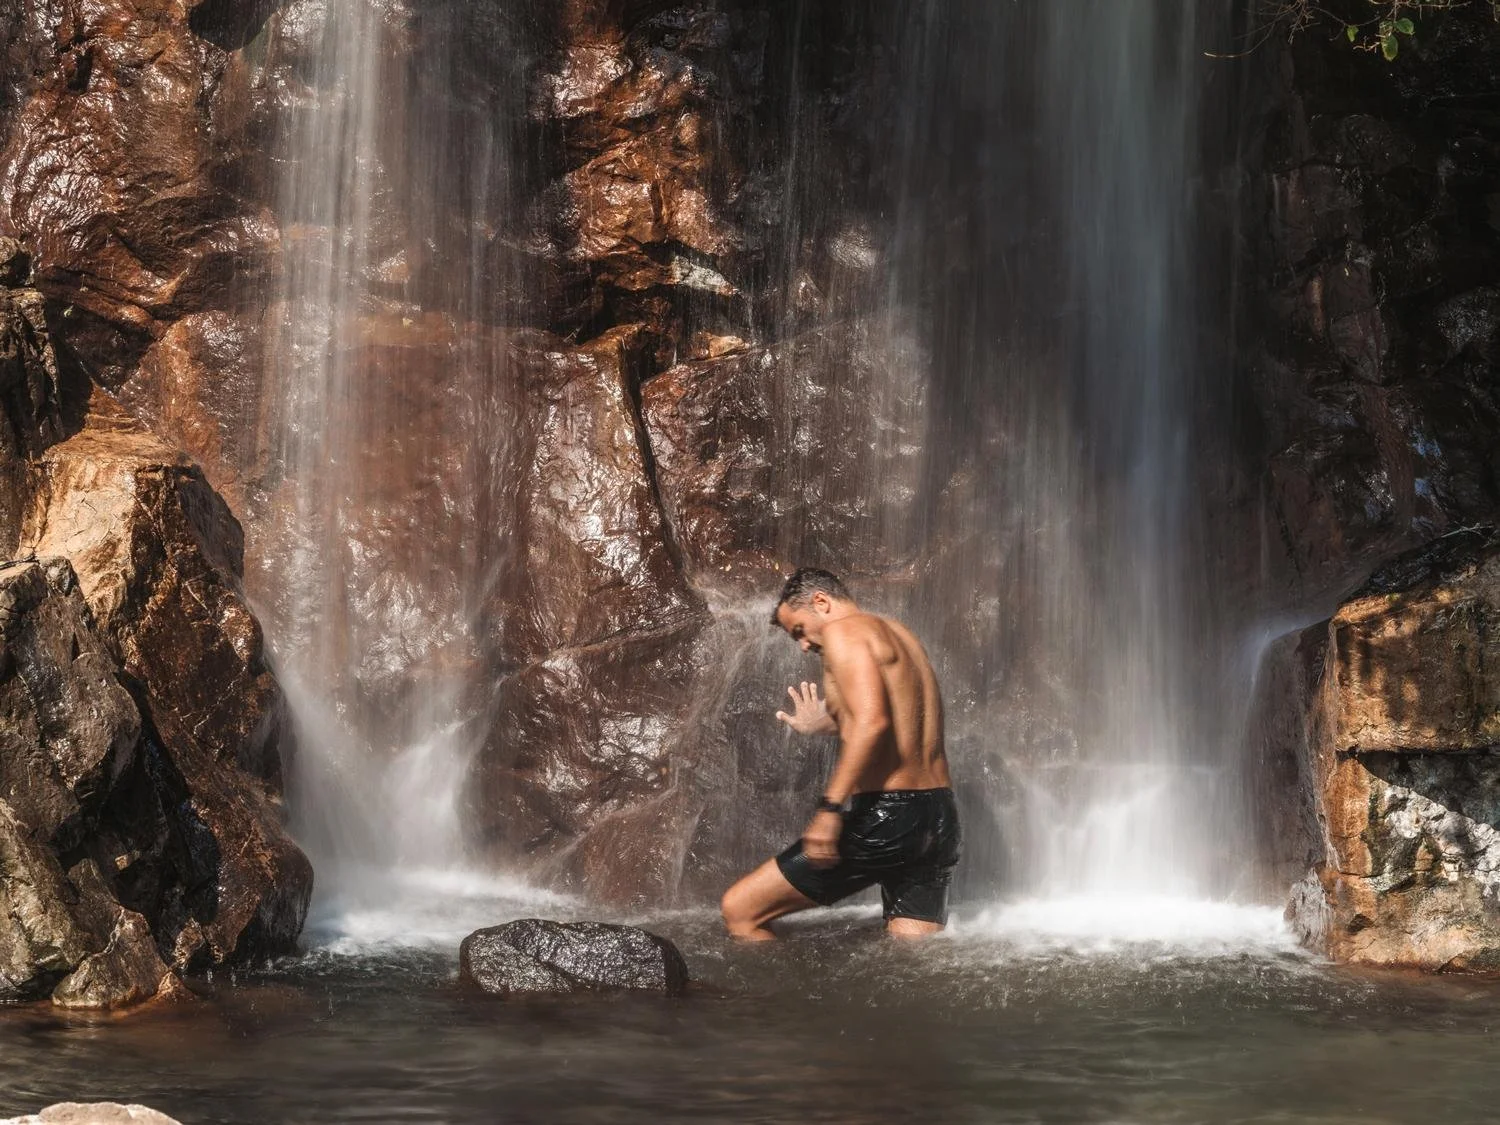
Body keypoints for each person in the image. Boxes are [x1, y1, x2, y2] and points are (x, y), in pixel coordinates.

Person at [720, 567, 960, 940]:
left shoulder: (843, 632)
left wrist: (829, 810)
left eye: (799, 631)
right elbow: (900, 720)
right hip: (938, 816)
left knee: (740, 911)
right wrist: (825, 723)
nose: (803, 645)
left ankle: (780, 984)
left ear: (821, 602)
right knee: (913, 953)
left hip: (889, 816)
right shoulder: (900, 634)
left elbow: (872, 723)